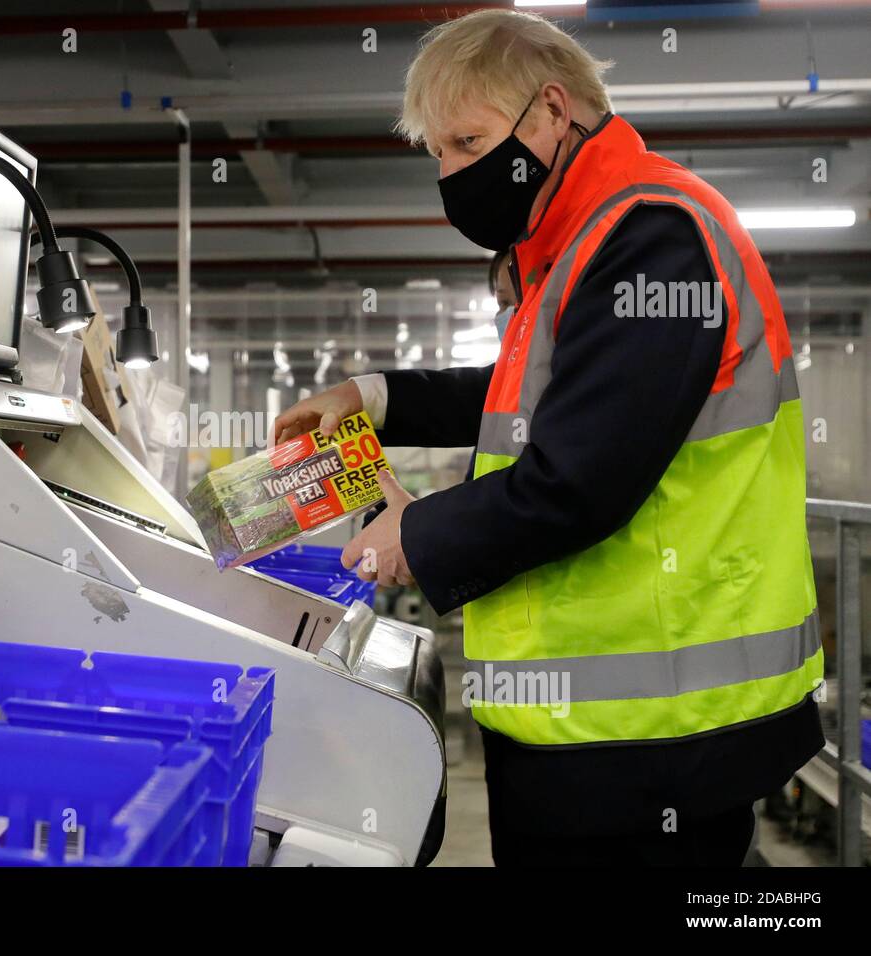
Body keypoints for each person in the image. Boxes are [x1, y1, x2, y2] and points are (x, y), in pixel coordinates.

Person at [271, 9, 824, 867]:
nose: (452, 173)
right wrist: (373, 398)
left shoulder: (653, 239)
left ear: (551, 114)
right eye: (438, 155)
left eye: (467, 140)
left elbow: (578, 477)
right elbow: (526, 403)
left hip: (651, 738)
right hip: (589, 726)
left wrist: (414, 535)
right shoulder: (569, 247)